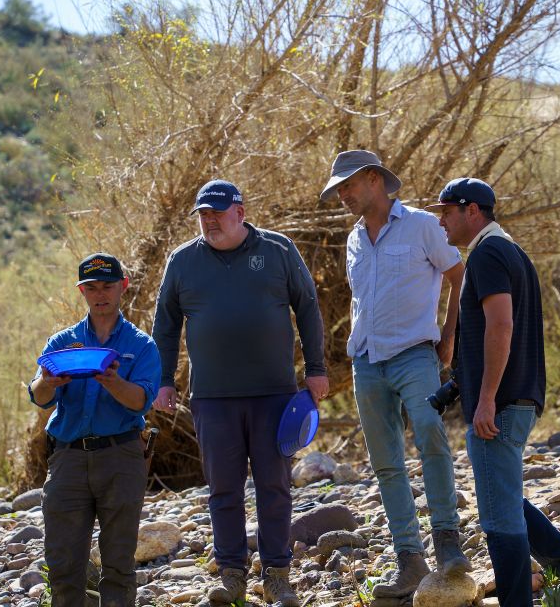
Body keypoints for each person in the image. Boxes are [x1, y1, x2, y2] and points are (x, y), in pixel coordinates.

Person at [151, 179, 329, 606]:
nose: (209, 220)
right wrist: (163, 379)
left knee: (275, 485)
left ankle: (277, 575)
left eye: (217, 212)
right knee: (223, 488)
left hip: (274, 394)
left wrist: (316, 369)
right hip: (213, 398)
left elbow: (307, 306)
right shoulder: (182, 261)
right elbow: (165, 325)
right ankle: (231, 573)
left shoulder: (278, 250)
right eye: (203, 214)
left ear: (240, 212)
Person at [428, 178, 560, 607]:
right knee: (502, 495)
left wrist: (485, 398)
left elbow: (501, 326)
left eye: (447, 211)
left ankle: (516, 601)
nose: (441, 220)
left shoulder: (488, 254)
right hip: (518, 398)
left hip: (501, 403)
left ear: (473, 211)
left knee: (498, 514)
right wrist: (462, 385)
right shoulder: (511, 251)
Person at [318, 150, 469, 599]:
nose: (342, 195)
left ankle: (448, 543)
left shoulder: (424, 225)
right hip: (366, 360)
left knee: (430, 433)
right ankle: (409, 560)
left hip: (415, 354)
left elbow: (458, 274)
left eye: (347, 185)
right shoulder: (353, 240)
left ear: (373, 179)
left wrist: (449, 335)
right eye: (339, 189)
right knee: (385, 463)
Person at [29, 253, 160, 607]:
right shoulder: (61, 342)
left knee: (118, 564)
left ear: (123, 288)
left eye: (108, 286)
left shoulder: (141, 345)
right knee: (62, 564)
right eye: (91, 288)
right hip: (68, 459)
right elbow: (38, 397)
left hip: (122, 456)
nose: (100, 294)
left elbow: (140, 403)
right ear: (82, 292)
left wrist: (113, 381)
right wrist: (49, 382)